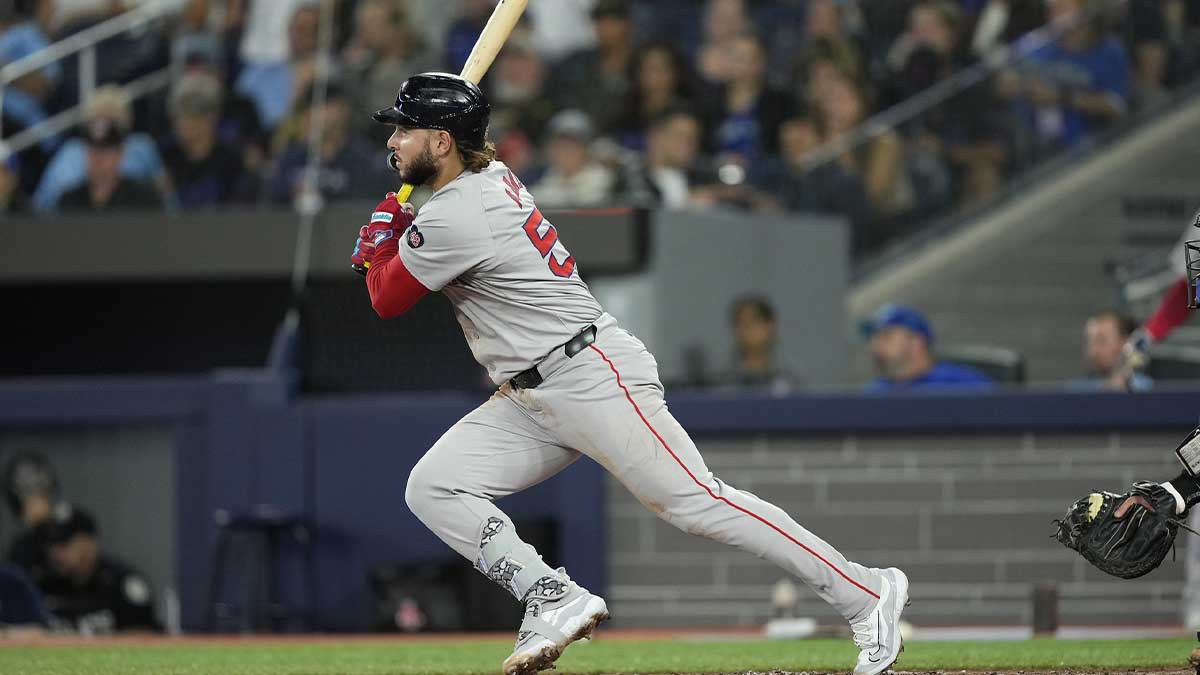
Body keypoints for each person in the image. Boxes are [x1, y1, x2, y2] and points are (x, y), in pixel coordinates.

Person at [351, 72, 908, 675]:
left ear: (441, 142)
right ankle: (550, 595)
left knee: (697, 503)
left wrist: (384, 242)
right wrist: (399, 234)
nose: (394, 142)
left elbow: (385, 298)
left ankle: (866, 593)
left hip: (588, 374)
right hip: (530, 395)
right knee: (434, 485)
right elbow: (413, 259)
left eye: (406, 130)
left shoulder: (461, 211)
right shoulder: (482, 180)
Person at [37, 503, 160, 634]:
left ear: (91, 542)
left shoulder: (123, 584)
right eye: (51, 543)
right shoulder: (43, 582)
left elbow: (145, 635)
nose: (55, 552)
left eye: (64, 543)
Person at [864, 304, 995, 391]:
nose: (875, 345)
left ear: (916, 342)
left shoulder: (963, 384)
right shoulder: (875, 392)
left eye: (886, 336)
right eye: (874, 338)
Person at [58, 116, 164, 211]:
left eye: (104, 151)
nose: (97, 158)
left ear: (119, 154)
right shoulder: (69, 200)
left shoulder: (144, 199)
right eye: (92, 150)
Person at [527, 110, 614, 209]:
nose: (565, 153)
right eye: (559, 146)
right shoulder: (545, 180)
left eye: (572, 146)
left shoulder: (604, 180)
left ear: (585, 149)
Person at [714, 296, 800, 394]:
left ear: (771, 326)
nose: (746, 329)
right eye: (740, 323)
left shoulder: (789, 378)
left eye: (754, 321)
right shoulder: (721, 382)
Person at [2, 450, 59, 587]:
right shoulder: (20, 549)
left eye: (42, 492)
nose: (37, 502)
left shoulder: (68, 530)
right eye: (28, 493)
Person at [1068, 310, 1153, 392]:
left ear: (1126, 343)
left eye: (1102, 341)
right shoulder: (1074, 392)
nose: (1093, 351)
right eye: (1090, 341)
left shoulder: (1149, 392)